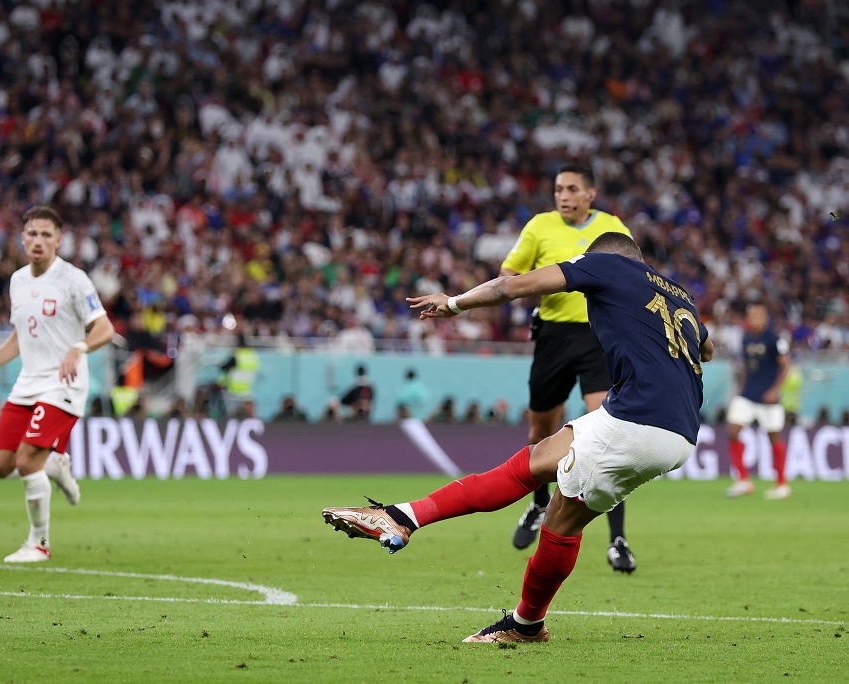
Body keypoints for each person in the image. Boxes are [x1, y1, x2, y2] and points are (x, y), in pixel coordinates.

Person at [322, 233, 713, 643]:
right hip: (678, 426)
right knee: (535, 461)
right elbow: (707, 349)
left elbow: (511, 286)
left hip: (638, 419)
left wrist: (453, 304)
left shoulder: (606, 265)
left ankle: (526, 625)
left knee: (562, 518)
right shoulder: (677, 292)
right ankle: (404, 516)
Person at [500, 164, 637, 572]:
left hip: (598, 337)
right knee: (540, 429)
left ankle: (618, 540)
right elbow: (509, 273)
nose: (563, 195)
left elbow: (632, 278)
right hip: (554, 338)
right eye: (559, 188)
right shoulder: (539, 227)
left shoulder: (613, 228)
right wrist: (532, 285)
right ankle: (539, 504)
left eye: (572, 189)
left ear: (590, 194)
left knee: (609, 430)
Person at [0, 205, 114, 563]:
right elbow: (20, 336)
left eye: (47, 234)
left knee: (27, 461)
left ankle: (39, 544)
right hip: (28, 382)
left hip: (64, 383)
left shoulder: (74, 280)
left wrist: (79, 347)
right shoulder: (17, 281)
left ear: (59, 240)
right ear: (22, 238)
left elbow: (105, 329)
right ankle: (55, 465)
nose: (39, 241)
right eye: (32, 233)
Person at [724, 303, 792, 499]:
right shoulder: (746, 339)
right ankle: (743, 480)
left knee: (774, 438)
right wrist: (740, 389)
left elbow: (786, 366)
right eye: (750, 316)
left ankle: (781, 484)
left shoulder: (775, 340)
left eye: (757, 316)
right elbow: (746, 367)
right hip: (747, 395)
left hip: (768, 398)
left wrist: (775, 390)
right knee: (732, 431)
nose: (753, 319)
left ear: (766, 318)